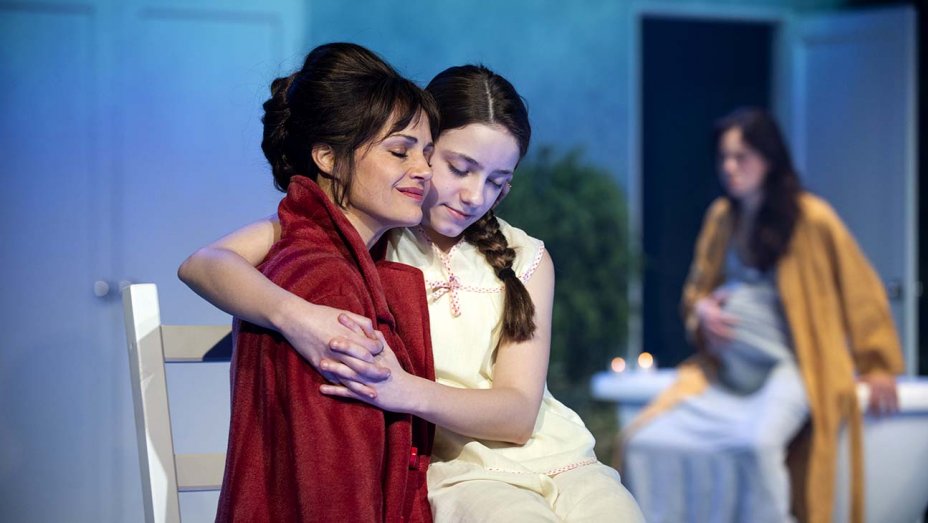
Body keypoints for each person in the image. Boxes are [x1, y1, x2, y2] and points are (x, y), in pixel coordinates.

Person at [180, 64, 644, 521]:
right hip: (458, 472)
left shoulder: (525, 255)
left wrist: (404, 390)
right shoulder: (377, 226)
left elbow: (519, 414)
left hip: (560, 456)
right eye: (459, 168)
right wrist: (296, 315)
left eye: (497, 182)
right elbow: (205, 263)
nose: (475, 196)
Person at [621, 108, 904, 523]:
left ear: (769, 159)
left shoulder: (810, 218)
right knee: (645, 441)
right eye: (724, 157)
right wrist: (702, 313)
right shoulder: (722, 217)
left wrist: (878, 364)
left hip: (792, 370)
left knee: (756, 445)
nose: (729, 167)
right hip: (726, 376)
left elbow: (861, 290)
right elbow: (697, 292)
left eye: (742, 157)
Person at [210, 42, 439, 522]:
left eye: (428, 154)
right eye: (400, 151)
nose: (424, 171)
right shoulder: (326, 284)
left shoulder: (319, 259)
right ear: (327, 158)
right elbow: (334, 489)